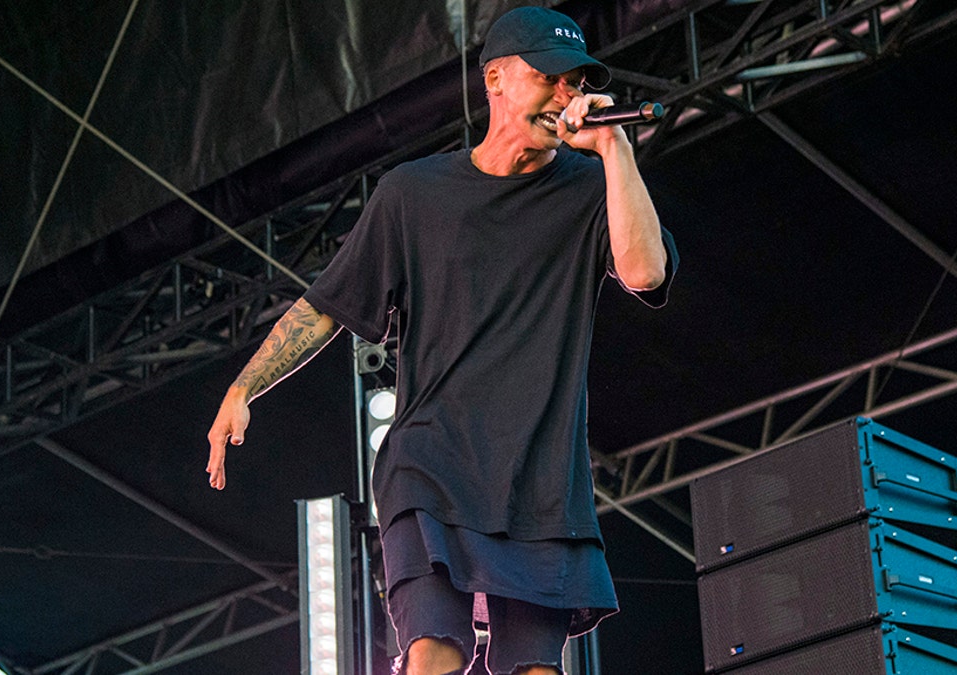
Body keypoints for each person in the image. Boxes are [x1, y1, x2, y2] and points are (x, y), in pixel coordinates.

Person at [206, 7, 678, 675]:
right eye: (549, 79)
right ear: (497, 79)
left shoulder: (590, 191)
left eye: (575, 84)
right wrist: (243, 386)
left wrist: (613, 149)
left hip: (542, 479)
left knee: (535, 669)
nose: (564, 97)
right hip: (431, 463)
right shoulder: (414, 195)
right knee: (433, 650)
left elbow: (645, 270)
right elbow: (326, 305)